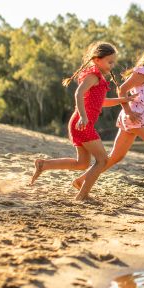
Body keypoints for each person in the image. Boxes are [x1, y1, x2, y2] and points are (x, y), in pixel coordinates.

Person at [73, 39, 144, 206]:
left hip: (136, 118)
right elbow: (122, 90)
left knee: (115, 157)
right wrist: (129, 112)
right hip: (137, 118)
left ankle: (82, 180)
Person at [28, 41, 131, 201]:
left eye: (113, 62)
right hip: (82, 123)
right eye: (109, 62)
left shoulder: (99, 79)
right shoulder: (93, 75)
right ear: (97, 60)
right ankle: (82, 195)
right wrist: (83, 116)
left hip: (80, 124)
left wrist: (123, 99)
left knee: (82, 163)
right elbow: (78, 94)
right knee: (102, 160)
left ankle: (44, 165)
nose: (112, 65)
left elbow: (102, 101)